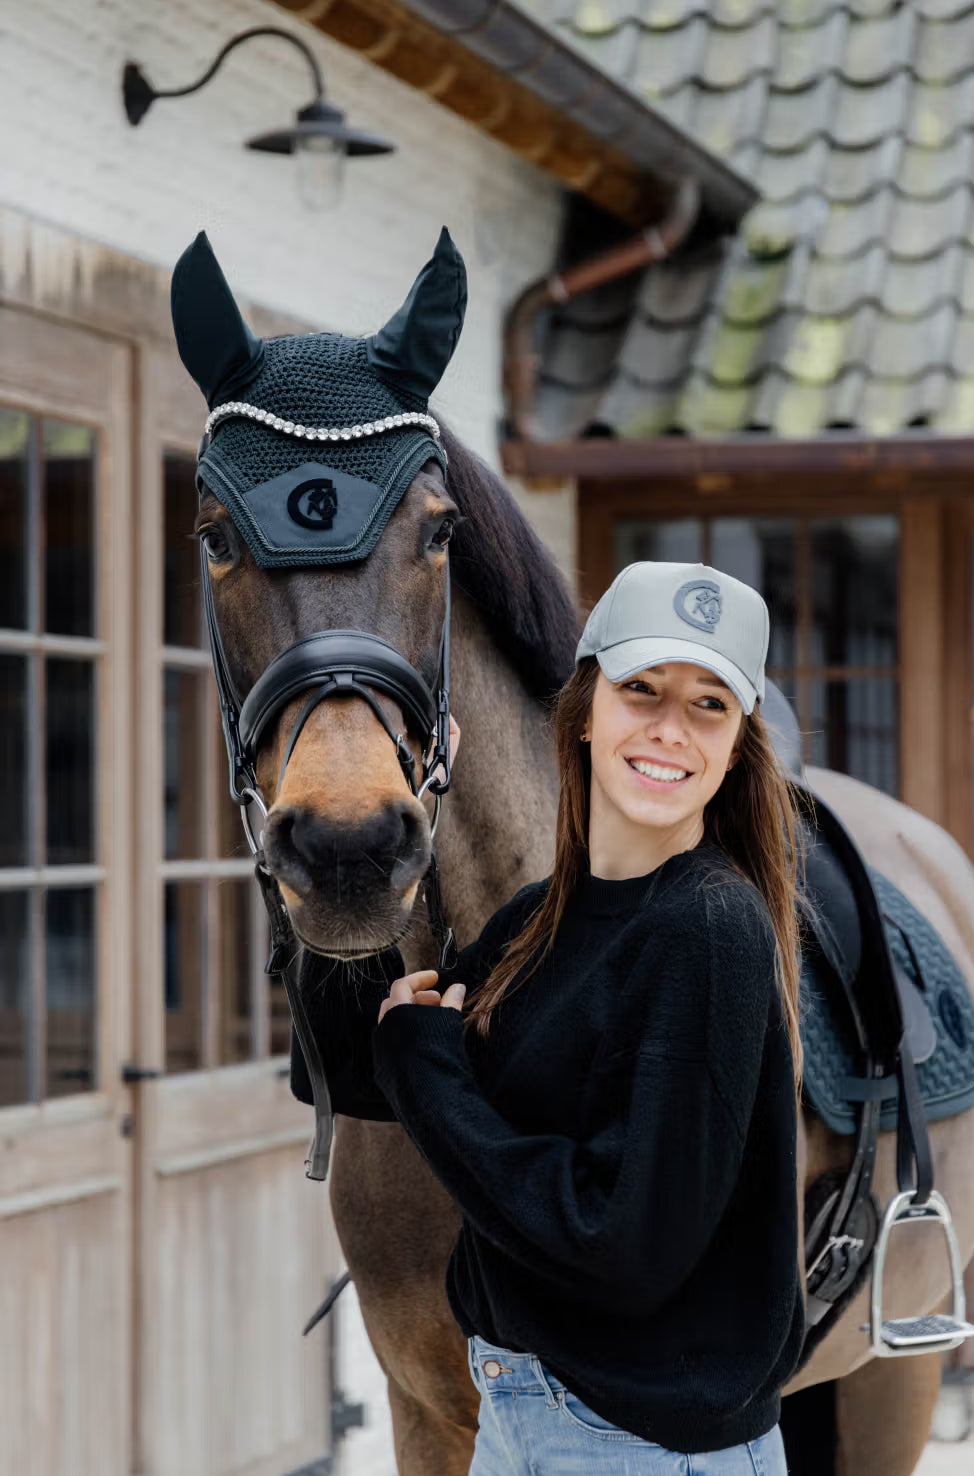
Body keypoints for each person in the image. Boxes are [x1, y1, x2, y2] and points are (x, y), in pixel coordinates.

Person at [324, 560, 806, 1471]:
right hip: (521, 1418)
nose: (671, 728)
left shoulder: (707, 927)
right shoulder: (542, 919)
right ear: (584, 709)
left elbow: (621, 1249)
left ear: (739, 744)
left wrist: (425, 1065)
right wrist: (393, 826)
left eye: (710, 705)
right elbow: (363, 1066)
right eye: (641, 689)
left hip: (642, 1449)